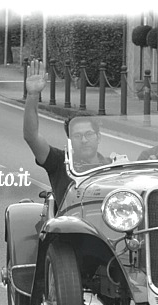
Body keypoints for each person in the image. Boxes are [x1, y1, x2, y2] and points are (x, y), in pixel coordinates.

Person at [23, 59, 109, 205]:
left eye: (88, 134)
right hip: (69, 224)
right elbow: (31, 137)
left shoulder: (111, 166)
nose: (83, 140)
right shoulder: (60, 163)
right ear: (70, 141)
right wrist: (32, 96)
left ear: (98, 137)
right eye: (77, 136)